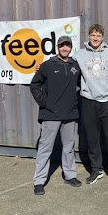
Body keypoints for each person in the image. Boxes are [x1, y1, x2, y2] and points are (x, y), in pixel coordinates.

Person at [30, 36, 82, 195]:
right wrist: (44, 103)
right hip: (51, 114)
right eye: (62, 46)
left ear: (71, 48)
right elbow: (34, 85)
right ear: (57, 47)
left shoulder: (75, 65)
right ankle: (39, 181)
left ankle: (70, 175)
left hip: (70, 113)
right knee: (45, 148)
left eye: (67, 46)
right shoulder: (47, 66)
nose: (65, 49)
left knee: (68, 147)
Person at [73, 24, 108, 185]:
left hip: (107, 101)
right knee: (92, 138)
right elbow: (66, 65)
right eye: (93, 35)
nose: (95, 38)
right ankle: (96, 170)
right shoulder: (80, 54)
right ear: (88, 36)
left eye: (98, 36)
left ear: (103, 37)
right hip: (88, 100)